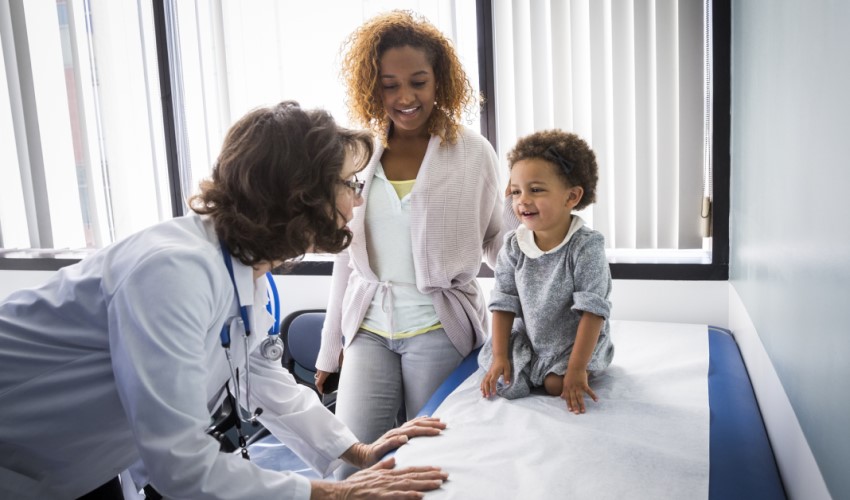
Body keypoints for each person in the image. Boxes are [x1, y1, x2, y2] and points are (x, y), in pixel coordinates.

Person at [0, 101, 449, 500]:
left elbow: (262, 379)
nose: (358, 199)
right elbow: (181, 465)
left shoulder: (246, 270)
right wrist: (334, 494)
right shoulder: (170, 273)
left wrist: (357, 450)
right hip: (17, 454)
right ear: (300, 193)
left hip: (73, 462)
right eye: (349, 183)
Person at [314, 10, 507, 478]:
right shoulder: (357, 154)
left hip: (439, 329)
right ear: (372, 87)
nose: (405, 97)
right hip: (368, 329)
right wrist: (330, 348)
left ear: (440, 81)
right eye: (390, 85)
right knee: (352, 465)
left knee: (432, 464)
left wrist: (538, 297)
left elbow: (497, 240)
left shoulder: (472, 152)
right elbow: (345, 257)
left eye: (418, 82)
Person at [478, 129, 615, 414]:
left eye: (536, 190)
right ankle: (526, 364)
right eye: (516, 191)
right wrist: (500, 356)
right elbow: (503, 302)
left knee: (556, 385)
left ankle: (566, 367)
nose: (522, 200)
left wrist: (577, 369)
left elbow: (593, 312)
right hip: (529, 338)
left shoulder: (585, 247)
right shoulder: (513, 245)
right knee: (508, 382)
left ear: (572, 196)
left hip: (571, 342)